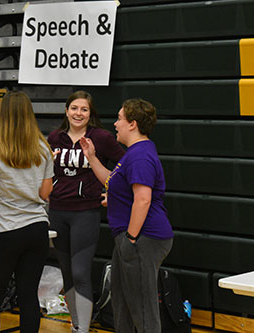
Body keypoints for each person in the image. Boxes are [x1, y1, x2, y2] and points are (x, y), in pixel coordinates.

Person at [79, 98, 174, 332]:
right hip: (131, 238)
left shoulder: (140, 156)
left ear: (132, 124)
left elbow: (143, 199)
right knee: (121, 302)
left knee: (143, 309)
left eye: (120, 118)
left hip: (143, 238)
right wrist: (91, 157)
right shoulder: (133, 154)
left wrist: (131, 239)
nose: (115, 124)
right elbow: (113, 182)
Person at [0, 91, 54, 332]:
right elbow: (45, 194)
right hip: (37, 230)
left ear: (4, 115)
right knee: (29, 297)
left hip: (7, 232)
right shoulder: (44, 149)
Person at [47, 91, 125, 333]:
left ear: (91, 114)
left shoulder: (100, 138)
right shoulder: (54, 137)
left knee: (81, 271)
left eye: (84, 109)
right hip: (57, 212)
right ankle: (76, 325)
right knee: (67, 272)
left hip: (85, 213)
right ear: (66, 111)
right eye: (74, 108)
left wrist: (112, 192)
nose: (78, 113)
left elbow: (126, 163)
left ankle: (83, 330)